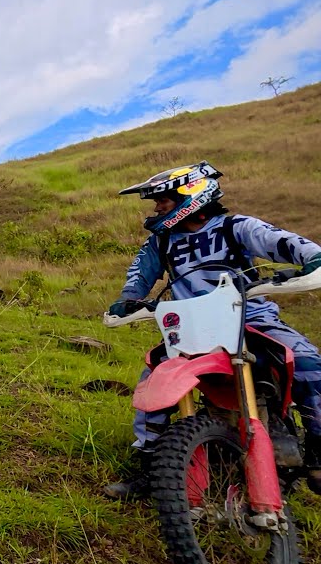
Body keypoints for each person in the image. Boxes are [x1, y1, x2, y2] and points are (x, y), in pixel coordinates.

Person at [105, 161, 321, 499]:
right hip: (190, 328)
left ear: (191, 194)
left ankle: (318, 454)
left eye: (163, 200)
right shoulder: (161, 243)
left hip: (250, 317)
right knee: (153, 380)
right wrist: (128, 301)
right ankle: (149, 467)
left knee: (307, 362)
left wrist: (312, 258)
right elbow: (139, 276)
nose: (158, 208)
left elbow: (281, 242)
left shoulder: (236, 227)